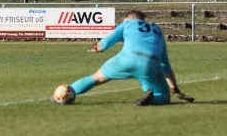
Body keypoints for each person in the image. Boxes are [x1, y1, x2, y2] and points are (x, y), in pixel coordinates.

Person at [55, 10, 195, 106]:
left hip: (128, 58)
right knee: (163, 96)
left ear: (130, 18)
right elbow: (166, 65)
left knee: (96, 78)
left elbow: (106, 43)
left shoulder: (127, 23)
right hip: (151, 63)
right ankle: (152, 99)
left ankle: (64, 94)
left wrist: (96, 47)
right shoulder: (158, 31)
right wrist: (175, 89)